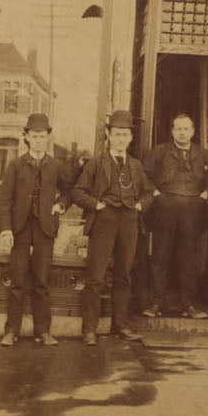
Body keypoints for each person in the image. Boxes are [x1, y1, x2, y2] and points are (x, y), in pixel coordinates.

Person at [71, 109, 152, 345]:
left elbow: (149, 193)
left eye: (125, 135)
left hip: (129, 221)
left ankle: (120, 326)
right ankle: (89, 330)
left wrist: (139, 206)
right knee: (95, 276)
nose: (121, 139)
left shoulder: (136, 166)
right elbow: (77, 191)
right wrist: (96, 204)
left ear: (130, 138)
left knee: (124, 275)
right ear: (108, 135)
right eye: (116, 134)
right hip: (104, 221)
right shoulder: (96, 163)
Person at [0, 113, 72, 346]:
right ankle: (11, 331)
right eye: (34, 136)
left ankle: (43, 331)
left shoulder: (56, 166)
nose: (38, 140)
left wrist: (61, 205)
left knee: (41, 281)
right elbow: (4, 199)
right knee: (17, 280)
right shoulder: (16, 165)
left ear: (48, 137)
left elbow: (70, 191)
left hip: (44, 229)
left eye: (42, 136)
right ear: (26, 137)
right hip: (20, 229)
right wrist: (6, 229)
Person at [142, 112, 208, 319]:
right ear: (172, 131)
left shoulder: (202, 154)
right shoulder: (159, 152)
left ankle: (188, 305)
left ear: (192, 131)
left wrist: (206, 194)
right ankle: (155, 303)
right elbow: (143, 175)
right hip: (165, 209)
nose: (182, 132)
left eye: (186, 129)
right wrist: (155, 194)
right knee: (160, 256)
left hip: (192, 211)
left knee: (189, 257)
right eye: (178, 128)